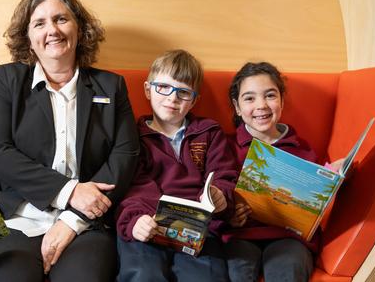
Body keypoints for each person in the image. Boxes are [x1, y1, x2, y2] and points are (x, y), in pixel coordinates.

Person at [0, 0, 140, 282]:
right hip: (18, 220)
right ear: (28, 38)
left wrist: (73, 218)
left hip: (86, 225)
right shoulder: (8, 79)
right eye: (39, 23)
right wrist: (69, 191)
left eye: (61, 19)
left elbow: (124, 155)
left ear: (80, 29)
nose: (52, 30)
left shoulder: (112, 86)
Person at [115, 49, 238, 282]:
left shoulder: (209, 133)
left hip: (198, 230)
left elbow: (225, 175)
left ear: (194, 100)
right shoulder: (131, 135)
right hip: (146, 224)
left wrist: (221, 196)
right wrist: (136, 220)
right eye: (163, 87)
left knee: (206, 278)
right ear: (147, 90)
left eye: (183, 92)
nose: (172, 98)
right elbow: (131, 186)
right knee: (144, 275)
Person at [223, 61, 321, 282]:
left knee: (288, 270)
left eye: (270, 95)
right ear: (237, 107)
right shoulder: (225, 147)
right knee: (236, 271)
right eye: (249, 98)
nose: (261, 105)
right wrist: (230, 214)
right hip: (241, 235)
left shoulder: (301, 148)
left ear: (282, 101)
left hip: (288, 238)